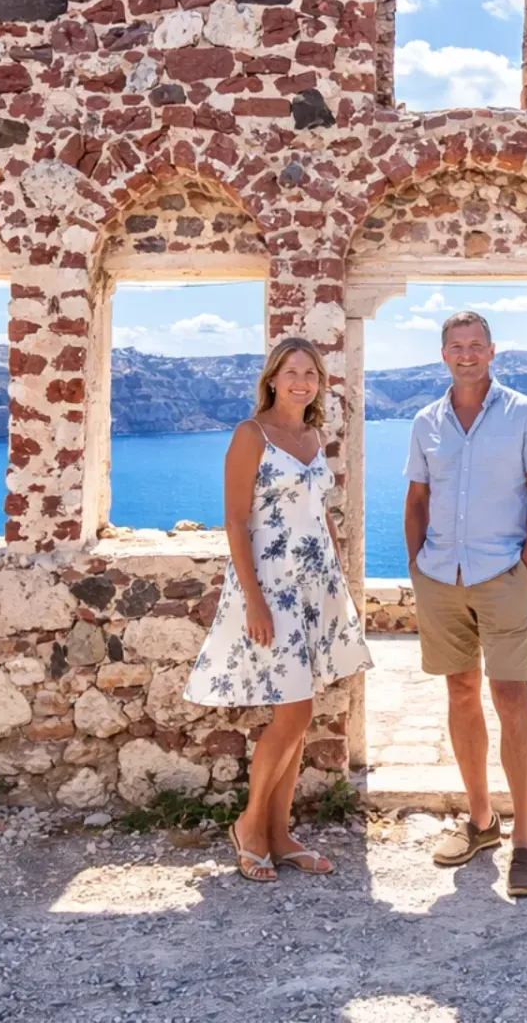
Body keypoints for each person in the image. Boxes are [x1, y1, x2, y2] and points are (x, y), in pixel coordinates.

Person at [184, 336, 373, 882]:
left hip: (316, 587)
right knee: (294, 709)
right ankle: (250, 826)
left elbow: (321, 516)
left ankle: (281, 833)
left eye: (310, 373)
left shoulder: (312, 434)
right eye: (291, 371)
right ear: (272, 378)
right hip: (271, 585)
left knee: (301, 708)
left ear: (319, 383)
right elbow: (236, 521)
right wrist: (254, 600)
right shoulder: (251, 435)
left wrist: (339, 584)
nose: (301, 380)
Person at [403, 311, 527, 898]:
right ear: (443, 354)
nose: (466, 354)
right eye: (455, 346)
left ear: (492, 350)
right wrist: (417, 565)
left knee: (511, 697)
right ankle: (481, 822)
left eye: (475, 345)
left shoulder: (525, 414)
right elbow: (416, 498)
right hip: (441, 575)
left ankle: (525, 843)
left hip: (503, 573)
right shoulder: (426, 421)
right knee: (459, 691)